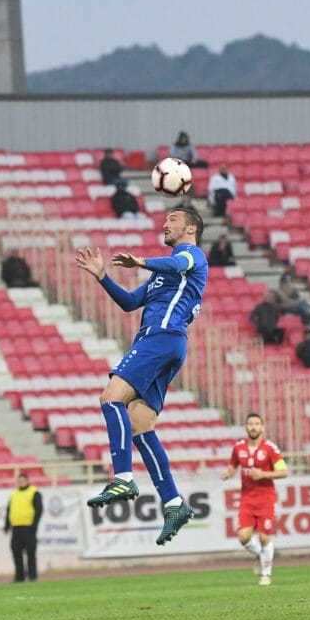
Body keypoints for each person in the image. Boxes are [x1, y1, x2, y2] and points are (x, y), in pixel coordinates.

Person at [75, 205, 208, 546]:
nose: (165, 223)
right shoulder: (163, 277)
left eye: (173, 219)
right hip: (170, 345)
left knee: (110, 398)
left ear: (191, 229)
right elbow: (130, 302)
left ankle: (122, 476)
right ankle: (175, 503)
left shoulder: (192, 255)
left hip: (160, 338)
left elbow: (179, 263)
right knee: (139, 424)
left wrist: (142, 261)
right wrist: (102, 275)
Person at [221, 413, 288, 586]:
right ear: (246, 427)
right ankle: (260, 554)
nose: (253, 427)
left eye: (257, 424)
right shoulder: (239, 447)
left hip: (266, 498)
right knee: (243, 537)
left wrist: (263, 474)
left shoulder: (270, 449)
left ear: (262, 428)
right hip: (247, 499)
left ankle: (266, 574)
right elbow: (233, 465)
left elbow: (283, 472)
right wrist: (229, 473)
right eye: (250, 423)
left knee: (265, 537)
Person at [3, 472, 43, 582]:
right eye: (19, 481)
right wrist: (7, 526)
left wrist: (34, 525)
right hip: (16, 528)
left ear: (27, 481)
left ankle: (32, 576)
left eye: (22, 481)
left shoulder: (34, 492)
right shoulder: (14, 494)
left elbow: (39, 510)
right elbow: (9, 510)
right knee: (16, 552)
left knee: (30, 553)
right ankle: (19, 577)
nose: (20, 483)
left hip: (29, 528)